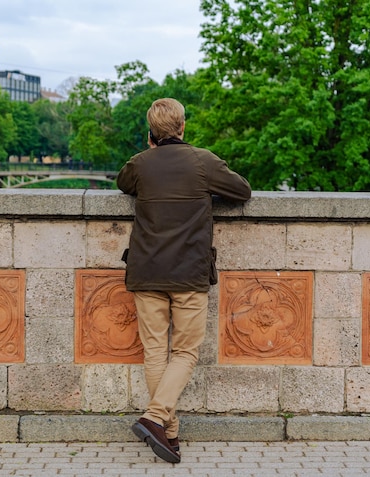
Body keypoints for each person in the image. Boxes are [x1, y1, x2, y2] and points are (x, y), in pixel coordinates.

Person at [117, 98, 251, 463]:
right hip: (188, 273)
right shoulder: (203, 161)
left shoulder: (140, 163)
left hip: (146, 271)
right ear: (183, 127)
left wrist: (150, 153)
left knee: (156, 351)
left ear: (150, 133)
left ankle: (168, 432)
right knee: (185, 351)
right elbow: (242, 192)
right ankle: (156, 418)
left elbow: (124, 183)